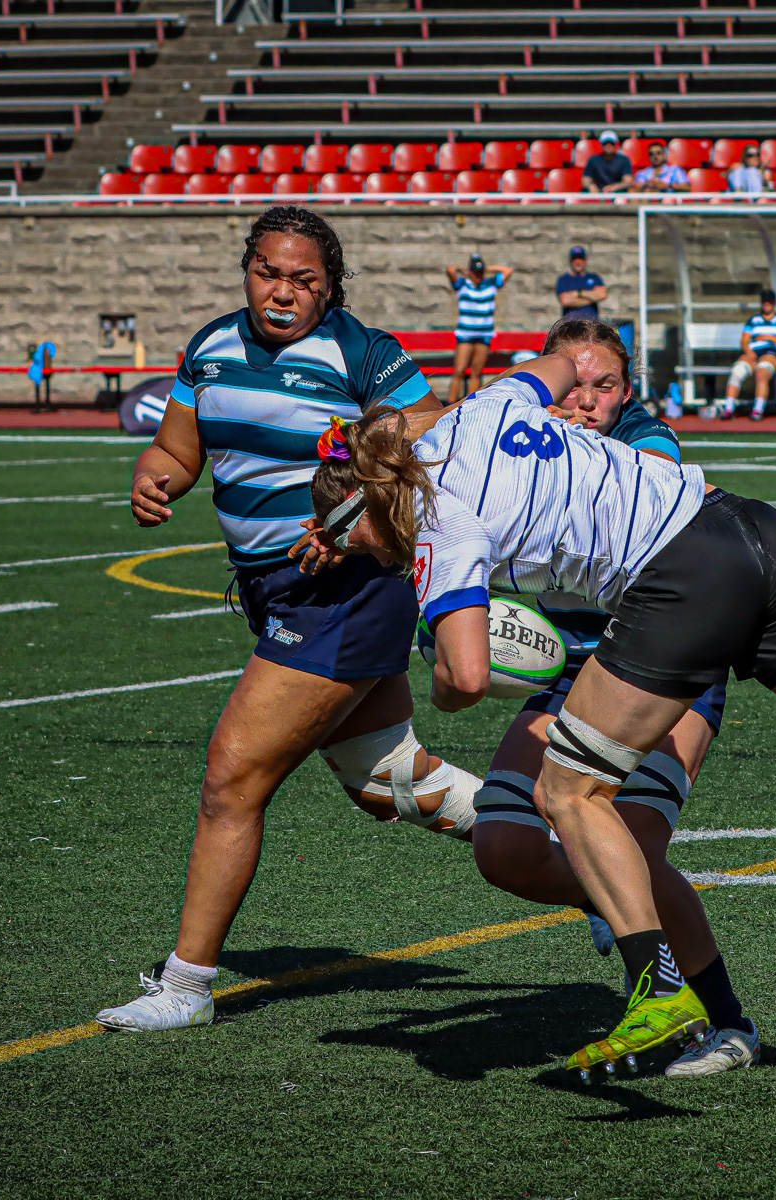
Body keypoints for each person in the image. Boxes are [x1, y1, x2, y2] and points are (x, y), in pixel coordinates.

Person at [308, 355, 776, 1085]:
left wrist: (443, 672)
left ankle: (658, 991)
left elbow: (467, 678)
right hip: (750, 529)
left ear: (372, 503)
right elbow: (558, 368)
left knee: (568, 792)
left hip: (680, 578)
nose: (359, 556)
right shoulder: (482, 409)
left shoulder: (440, 524)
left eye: (349, 539)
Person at [97, 206, 484, 1032]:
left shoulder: (361, 352)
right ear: (247, 270)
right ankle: (583, 855)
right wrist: (154, 476)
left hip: (343, 587)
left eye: (304, 279)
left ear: (331, 287)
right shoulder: (209, 346)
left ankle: (187, 986)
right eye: (268, 272)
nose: (283, 291)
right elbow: (180, 449)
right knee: (392, 783)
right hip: (274, 590)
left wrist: (345, 494)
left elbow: (429, 430)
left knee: (232, 778)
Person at [467, 319, 755, 1076]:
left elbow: (632, 481)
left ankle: (724, 1021)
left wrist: (561, 450)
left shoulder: (645, 440)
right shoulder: (514, 439)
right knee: (504, 847)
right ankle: (615, 901)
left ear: (627, 391)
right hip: (569, 666)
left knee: (632, 839)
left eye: (606, 386)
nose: (588, 400)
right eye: (576, 384)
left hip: (667, 664)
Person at [444, 254, 514, 404]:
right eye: (476, 272)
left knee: (476, 372)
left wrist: (488, 269)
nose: (479, 275)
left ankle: (470, 404)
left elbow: (508, 270)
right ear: (470, 272)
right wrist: (464, 269)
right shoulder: (462, 284)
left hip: (484, 335)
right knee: (459, 370)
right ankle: (450, 404)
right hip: (466, 335)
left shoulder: (491, 284)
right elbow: (450, 270)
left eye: (481, 272)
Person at [725, 289, 776, 420]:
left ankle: (758, 409)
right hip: (754, 351)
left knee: (762, 372)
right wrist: (748, 351)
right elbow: (744, 340)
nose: (767, 304)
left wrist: (769, 337)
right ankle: (728, 408)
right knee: (737, 371)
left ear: (774, 303)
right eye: (764, 301)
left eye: (770, 301)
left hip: (771, 351)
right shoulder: (753, 320)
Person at [556, 246, 607, 324]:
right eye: (575, 259)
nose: (578, 262)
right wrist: (592, 298)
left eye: (580, 259)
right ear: (570, 261)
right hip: (571, 325)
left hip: (591, 325)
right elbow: (565, 301)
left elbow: (602, 294)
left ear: (586, 260)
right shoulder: (564, 280)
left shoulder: (594, 277)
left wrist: (578, 293)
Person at [581, 130, 633, 194]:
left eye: (611, 143)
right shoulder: (593, 160)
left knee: (620, 201)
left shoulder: (624, 160)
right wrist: (590, 186)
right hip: (598, 191)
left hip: (618, 192)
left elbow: (628, 181)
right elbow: (586, 180)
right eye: (605, 144)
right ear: (601, 145)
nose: (608, 146)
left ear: (616, 145)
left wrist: (614, 187)